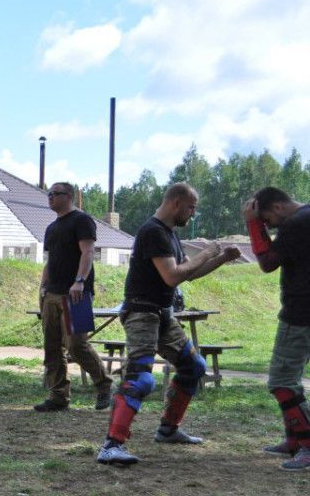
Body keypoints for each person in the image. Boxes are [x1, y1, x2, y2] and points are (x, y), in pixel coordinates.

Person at [97, 182, 240, 466]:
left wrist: (222, 258)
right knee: (141, 378)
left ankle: (168, 429)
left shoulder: (169, 234)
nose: (193, 214)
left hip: (162, 313)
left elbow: (190, 273)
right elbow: (172, 276)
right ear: (175, 202)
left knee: (194, 366)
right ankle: (111, 446)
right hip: (141, 313)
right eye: (191, 207)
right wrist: (208, 252)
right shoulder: (153, 232)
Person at [244, 187, 310, 470]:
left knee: (282, 380)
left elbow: (267, 263)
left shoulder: (296, 223)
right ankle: (294, 439)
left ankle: (307, 445)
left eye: (267, 220)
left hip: (300, 314)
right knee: (290, 378)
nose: (268, 227)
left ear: (278, 207)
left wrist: (252, 224)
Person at [35, 181, 114, 412]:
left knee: (76, 345)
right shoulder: (51, 228)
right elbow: (51, 261)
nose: (50, 197)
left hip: (75, 295)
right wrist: (42, 287)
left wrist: (79, 281)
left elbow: (87, 252)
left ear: (69, 196)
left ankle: (104, 384)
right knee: (52, 347)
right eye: (48, 194)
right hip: (52, 293)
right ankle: (58, 396)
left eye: (55, 194)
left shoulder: (82, 221)